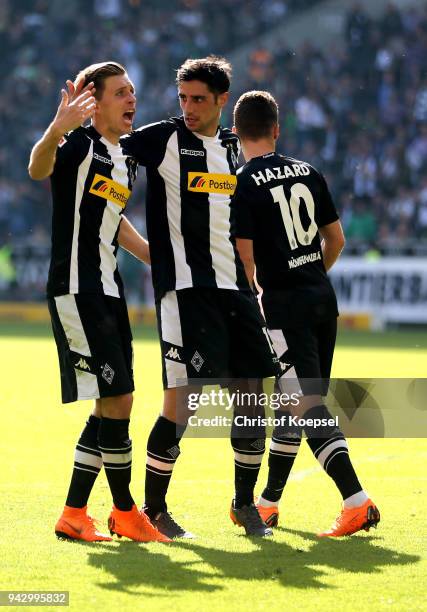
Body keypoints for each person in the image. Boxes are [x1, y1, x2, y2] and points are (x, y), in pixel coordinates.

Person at [121, 56, 280, 538]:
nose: (188, 108)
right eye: (183, 98)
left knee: (252, 398)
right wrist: (150, 253)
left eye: (198, 100)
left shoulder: (236, 151)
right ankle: (154, 510)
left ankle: (244, 504)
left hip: (237, 291)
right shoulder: (161, 139)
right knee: (183, 401)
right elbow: (100, 168)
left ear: (222, 101)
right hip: (186, 294)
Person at [28, 61, 169, 543]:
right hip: (77, 288)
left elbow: (114, 216)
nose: (131, 99)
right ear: (94, 101)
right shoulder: (78, 145)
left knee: (110, 403)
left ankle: (73, 512)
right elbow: (37, 167)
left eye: (133, 91)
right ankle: (126, 511)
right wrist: (57, 129)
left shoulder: (125, 157)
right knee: (120, 398)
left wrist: (152, 255)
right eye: (120, 93)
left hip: (109, 289)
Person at [232, 90, 380, 537]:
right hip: (321, 300)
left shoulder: (243, 181)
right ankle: (269, 502)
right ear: (277, 129)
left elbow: (245, 259)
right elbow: (335, 240)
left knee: (305, 403)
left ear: (237, 134)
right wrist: (311, 273)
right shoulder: (309, 172)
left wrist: (260, 296)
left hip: (284, 309)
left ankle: (356, 501)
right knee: (294, 402)